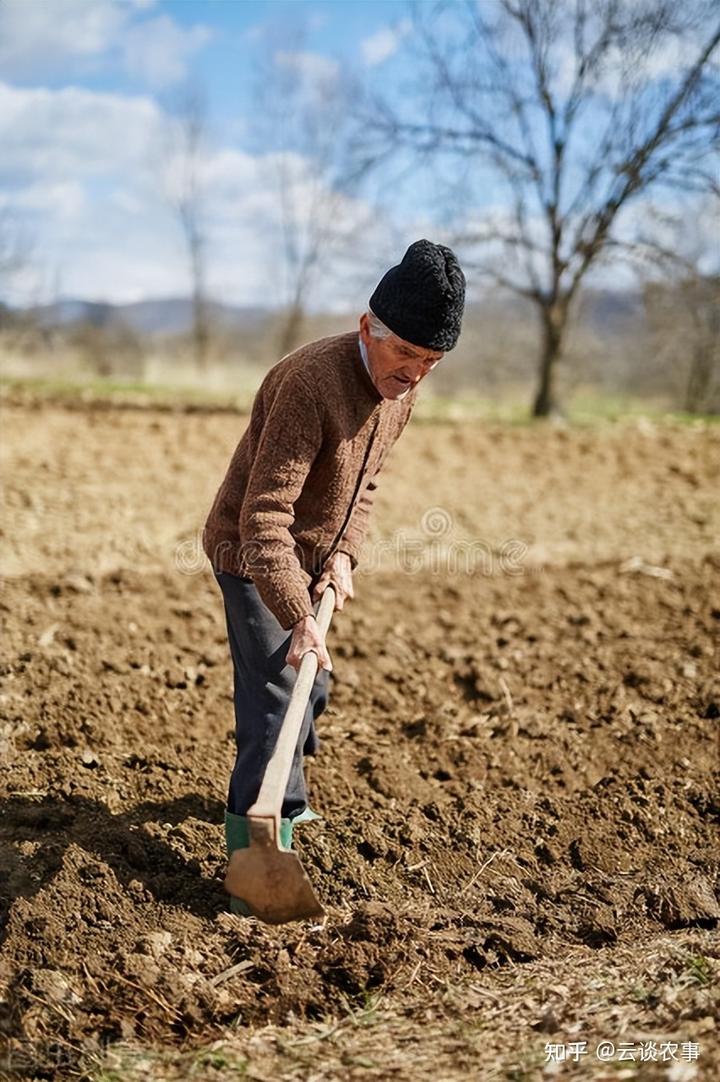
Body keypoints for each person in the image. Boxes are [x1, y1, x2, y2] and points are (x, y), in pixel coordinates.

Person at [202, 238, 466, 913]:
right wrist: (296, 615)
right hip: (252, 552)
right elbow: (264, 519)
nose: (416, 374)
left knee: (308, 686)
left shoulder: (400, 391)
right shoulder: (311, 384)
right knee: (274, 702)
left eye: (432, 362)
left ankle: (286, 772)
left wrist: (344, 552)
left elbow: (366, 484)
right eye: (406, 353)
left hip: (317, 553)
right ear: (366, 329)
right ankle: (259, 857)